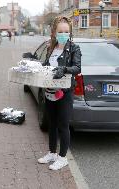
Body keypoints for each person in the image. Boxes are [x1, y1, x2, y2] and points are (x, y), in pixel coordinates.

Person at [37, 16, 82, 170]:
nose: (63, 34)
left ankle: (62, 158)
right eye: (60, 31)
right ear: (55, 32)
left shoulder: (74, 48)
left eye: (66, 31)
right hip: (50, 91)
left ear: (70, 33)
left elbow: (77, 68)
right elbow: (46, 66)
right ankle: (52, 153)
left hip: (65, 92)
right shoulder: (51, 48)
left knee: (63, 125)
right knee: (52, 124)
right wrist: (36, 67)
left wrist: (64, 69)